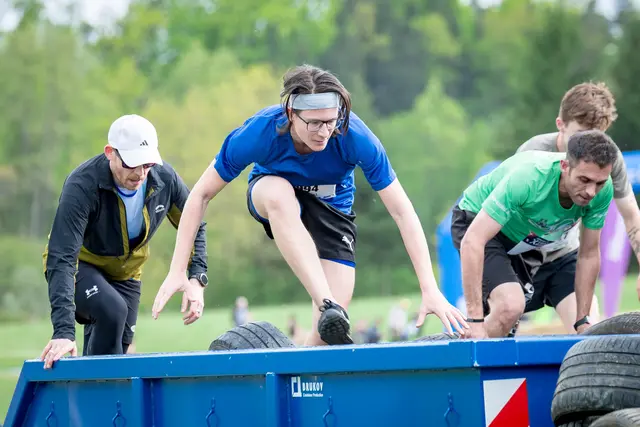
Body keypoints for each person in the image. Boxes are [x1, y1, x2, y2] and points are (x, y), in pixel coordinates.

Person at [151, 64, 469, 345]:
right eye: (314, 123)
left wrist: (429, 287)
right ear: (291, 114)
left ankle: (308, 350)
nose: (324, 132)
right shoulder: (260, 132)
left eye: (330, 122)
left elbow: (402, 211)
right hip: (272, 194)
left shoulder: (356, 137)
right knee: (279, 194)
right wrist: (178, 269)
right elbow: (201, 195)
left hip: (332, 209)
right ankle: (326, 301)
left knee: (327, 332)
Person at [39, 114, 208, 369]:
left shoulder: (164, 179)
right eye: (132, 163)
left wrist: (197, 277)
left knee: (119, 349)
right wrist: (63, 331)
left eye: (147, 164)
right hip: (81, 265)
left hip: (127, 273)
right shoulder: (82, 185)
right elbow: (62, 257)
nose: (140, 174)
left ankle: (93, 392)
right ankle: (97, 388)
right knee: (112, 310)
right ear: (110, 153)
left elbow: (195, 223)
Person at [451, 129, 618, 339]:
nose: (591, 192)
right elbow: (473, 241)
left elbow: (589, 254)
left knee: (590, 327)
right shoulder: (529, 178)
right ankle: (465, 349)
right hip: (478, 223)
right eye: (584, 180)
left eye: (599, 183)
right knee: (509, 307)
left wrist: (582, 320)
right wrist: (474, 320)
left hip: (530, 241)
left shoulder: (603, 190)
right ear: (565, 166)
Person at [514, 81, 640, 333]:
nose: (589, 147)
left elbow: (631, 216)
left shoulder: (608, 158)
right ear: (560, 124)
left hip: (563, 256)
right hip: (520, 257)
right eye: (581, 134)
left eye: (597, 136)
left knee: (589, 332)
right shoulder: (533, 152)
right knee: (500, 328)